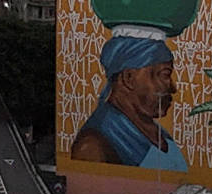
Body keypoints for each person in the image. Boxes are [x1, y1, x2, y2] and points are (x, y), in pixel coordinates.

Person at [71, 31, 189, 169]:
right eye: (164, 75)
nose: (173, 87)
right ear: (129, 78)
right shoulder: (92, 147)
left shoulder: (156, 132)